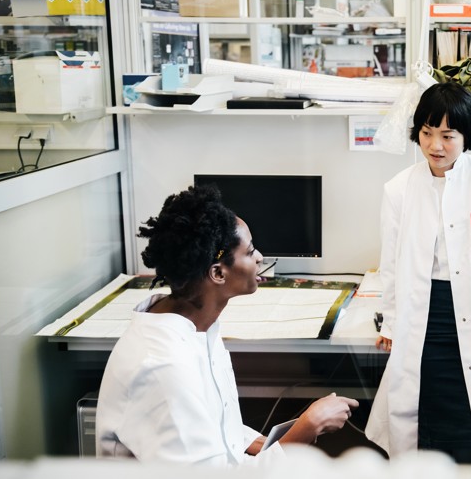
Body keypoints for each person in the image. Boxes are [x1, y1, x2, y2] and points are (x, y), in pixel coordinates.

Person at [96, 185, 358, 466]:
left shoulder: (197, 325)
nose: (259, 257)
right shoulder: (163, 367)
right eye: (250, 251)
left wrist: (261, 442)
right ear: (218, 273)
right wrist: (309, 426)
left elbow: (216, 427)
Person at [365, 82, 471, 468]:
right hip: (426, 315)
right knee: (428, 422)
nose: (435, 146)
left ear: (467, 136)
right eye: (426, 133)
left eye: (447, 135)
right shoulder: (399, 189)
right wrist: (391, 323)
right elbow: (389, 264)